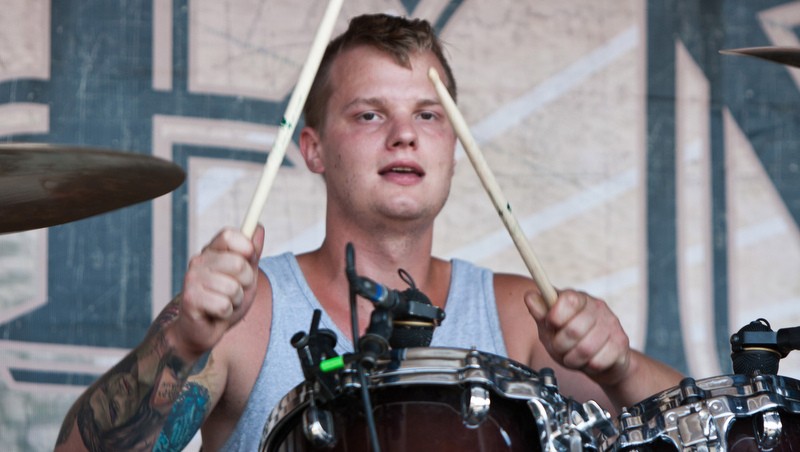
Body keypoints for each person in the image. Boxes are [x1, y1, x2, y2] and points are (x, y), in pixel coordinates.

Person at [55, 13, 683, 451]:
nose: (403, 134)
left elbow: (705, 432)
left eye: (428, 115)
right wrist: (186, 344)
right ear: (314, 148)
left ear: (455, 146)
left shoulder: (520, 317)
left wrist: (620, 368)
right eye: (369, 113)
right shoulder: (247, 316)